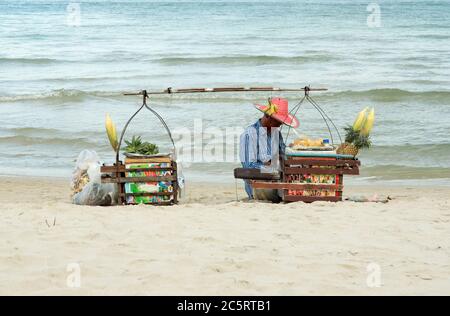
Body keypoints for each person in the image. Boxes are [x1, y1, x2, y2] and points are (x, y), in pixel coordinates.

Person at [239, 97, 299, 201]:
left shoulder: (276, 133)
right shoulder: (249, 135)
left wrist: (292, 152)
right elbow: (248, 166)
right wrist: (273, 164)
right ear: (267, 116)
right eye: (278, 122)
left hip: (277, 182)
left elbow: (284, 155)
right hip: (258, 188)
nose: (280, 125)